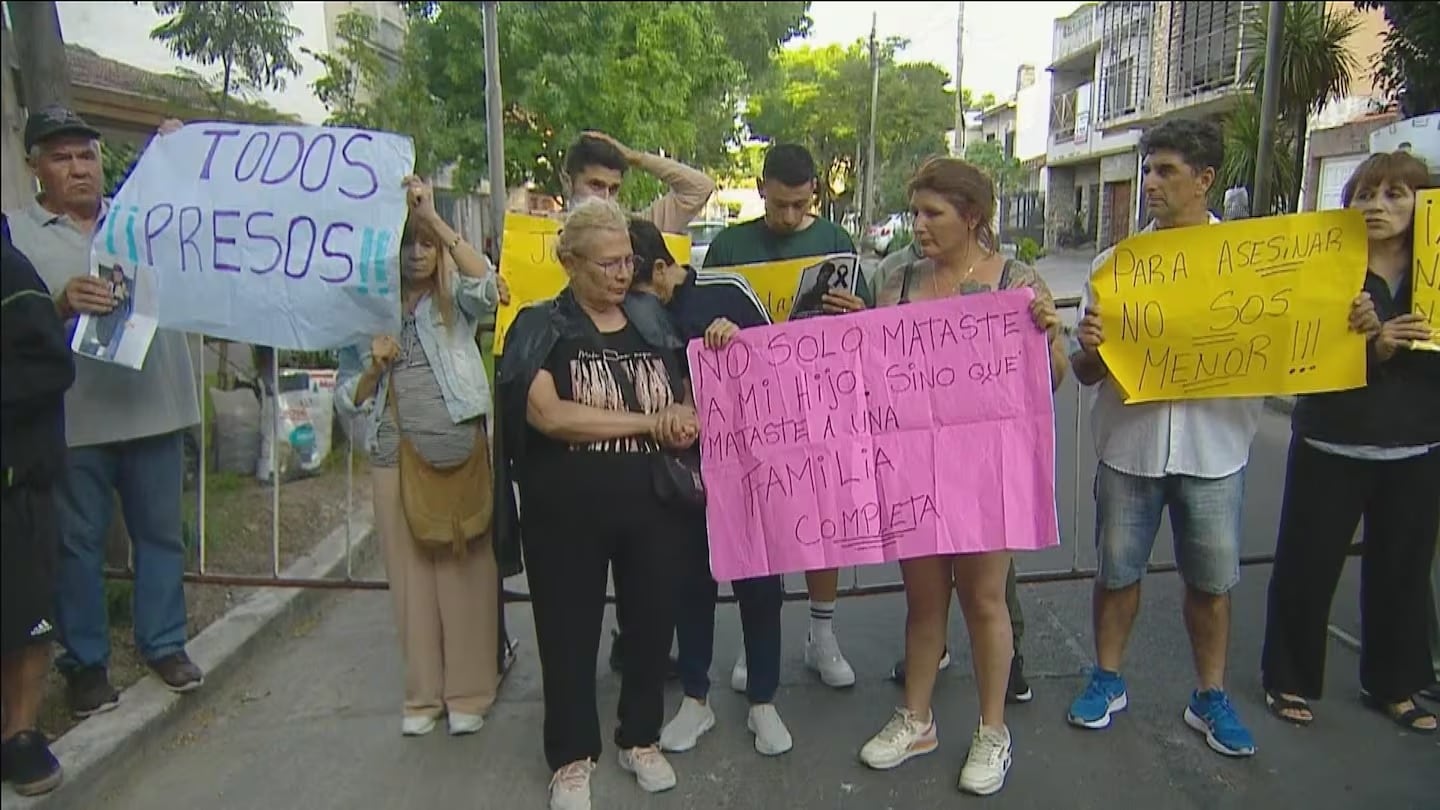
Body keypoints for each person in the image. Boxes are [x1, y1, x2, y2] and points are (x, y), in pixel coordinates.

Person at [855, 157, 1066, 796]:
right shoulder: (896, 278)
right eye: (915, 212)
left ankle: (992, 729)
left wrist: (1048, 340)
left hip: (986, 471)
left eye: (931, 213)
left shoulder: (1017, 280)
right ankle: (915, 719)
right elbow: (868, 367)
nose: (918, 225)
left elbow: (1048, 380)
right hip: (915, 468)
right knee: (924, 602)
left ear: (971, 216)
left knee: (983, 600)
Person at [495, 199, 699, 810]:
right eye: (606, 263)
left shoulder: (653, 320)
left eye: (627, 261)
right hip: (565, 513)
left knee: (649, 625)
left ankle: (641, 737)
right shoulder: (536, 327)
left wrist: (685, 416)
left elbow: (689, 386)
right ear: (569, 261)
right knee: (567, 634)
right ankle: (571, 757)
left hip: (654, 506)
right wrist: (648, 422)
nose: (620, 273)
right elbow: (549, 415)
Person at [1066, 118, 1261, 757]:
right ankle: (1107, 677)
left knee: (1211, 582)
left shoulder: (1250, 265)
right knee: (1117, 572)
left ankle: (1210, 695)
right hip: (1130, 448)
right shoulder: (1112, 266)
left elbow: (1285, 345)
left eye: (1166, 170)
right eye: (1148, 169)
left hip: (1215, 449)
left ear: (1205, 180)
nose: (1150, 182)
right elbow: (1088, 372)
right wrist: (1089, 349)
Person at [6, 107, 203, 716]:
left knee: (161, 536)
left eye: (87, 156)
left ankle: (165, 642)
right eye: (61, 158)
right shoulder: (15, 233)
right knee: (76, 545)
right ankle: (85, 664)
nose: (78, 169)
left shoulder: (145, 218)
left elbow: (208, 226)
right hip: (74, 419)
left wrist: (180, 157)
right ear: (35, 167)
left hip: (155, 405)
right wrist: (62, 304)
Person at [1260, 151, 1439, 733]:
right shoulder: (1327, 271)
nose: (1377, 206)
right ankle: (1287, 679)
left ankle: (1396, 684)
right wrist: (1374, 346)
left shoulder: (1432, 274)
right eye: (1365, 193)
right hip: (1331, 442)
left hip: (1415, 447)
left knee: (1403, 572)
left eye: (1395, 194)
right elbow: (1301, 358)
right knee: (1306, 566)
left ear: (1425, 203)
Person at [335, 176, 502, 737]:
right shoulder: (366, 311)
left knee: (464, 571)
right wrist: (374, 367)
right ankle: (423, 696)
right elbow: (347, 398)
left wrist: (433, 217)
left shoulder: (455, 299)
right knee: (408, 577)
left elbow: (492, 285)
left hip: (458, 448)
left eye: (423, 243)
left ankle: (471, 692)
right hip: (392, 452)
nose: (415, 254)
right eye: (406, 243)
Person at [701, 143, 870, 691]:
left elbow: (866, 327)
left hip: (820, 400)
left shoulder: (835, 242)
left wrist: (858, 313)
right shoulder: (730, 244)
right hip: (751, 406)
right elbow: (702, 319)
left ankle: (822, 634)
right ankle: (759, 637)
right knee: (760, 517)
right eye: (781, 206)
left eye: (801, 205)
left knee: (825, 514)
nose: (792, 217)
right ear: (761, 190)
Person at [625, 218, 792, 757]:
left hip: (746, 468)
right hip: (677, 477)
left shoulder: (726, 289)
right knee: (689, 586)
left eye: (635, 287)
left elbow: (784, 361)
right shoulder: (624, 310)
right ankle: (695, 699)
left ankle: (763, 700)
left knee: (760, 585)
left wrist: (739, 341)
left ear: (658, 269)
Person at [1, 213, 76, 796]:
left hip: (18, 478)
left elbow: (51, 366)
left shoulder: (12, 273)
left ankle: (21, 734)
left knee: (26, 613)